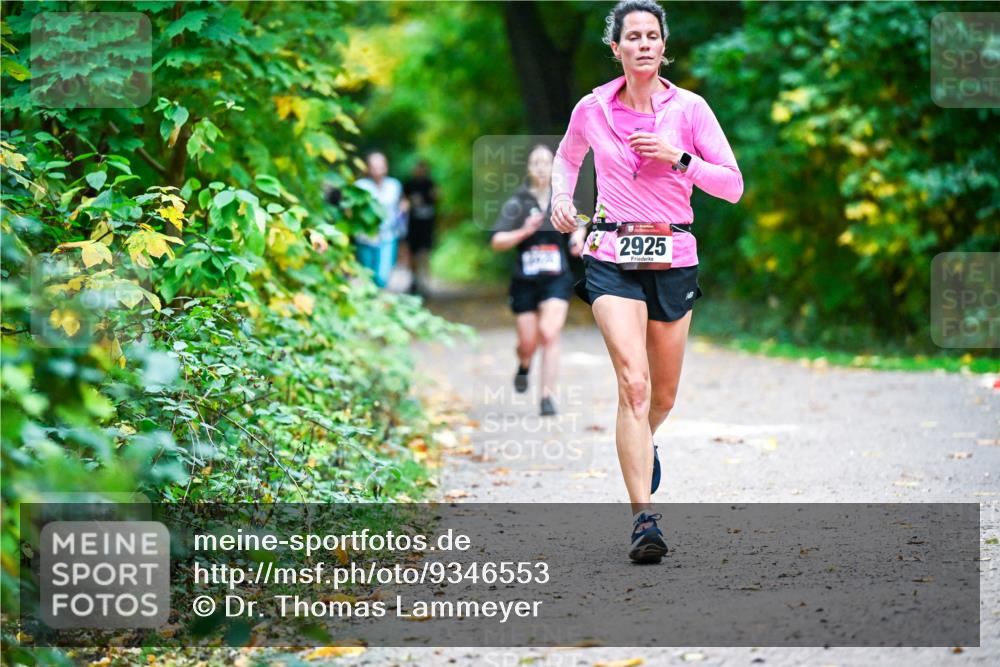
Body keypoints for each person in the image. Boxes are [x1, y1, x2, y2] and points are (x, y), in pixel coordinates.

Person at [550, 0, 743, 563]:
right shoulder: (592, 108)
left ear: (663, 46)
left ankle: (644, 441)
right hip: (610, 251)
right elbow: (566, 159)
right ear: (616, 48)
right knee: (632, 385)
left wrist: (680, 157)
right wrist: (563, 198)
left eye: (651, 36)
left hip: (674, 253)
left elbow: (731, 185)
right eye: (631, 36)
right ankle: (643, 520)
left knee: (661, 394)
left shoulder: (691, 109)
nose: (642, 44)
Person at [491, 144, 587, 417]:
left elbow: (580, 221)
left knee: (549, 333)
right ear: (529, 168)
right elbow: (497, 241)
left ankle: (547, 397)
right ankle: (524, 364)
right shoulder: (517, 202)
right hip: (525, 281)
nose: (542, 168)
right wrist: (523, 231)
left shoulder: (562, 197)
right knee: (528, 343)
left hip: (556, 279)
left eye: (547, 162)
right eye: (536, 163)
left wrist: (578, 237)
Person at [354, 151, 408, 288]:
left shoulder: (394, 185)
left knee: (382, 276)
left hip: (388, 235)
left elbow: (402, 203)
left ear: (386, 166)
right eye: (374, 165)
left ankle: (377, 297)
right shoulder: (360, 186)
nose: (378, 169)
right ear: (368, 168)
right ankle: (371, 304)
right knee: (367, 274)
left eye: (380, 165)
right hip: (365, 236)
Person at [403, 159, 438, 296]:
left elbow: (438, 197)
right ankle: (414, 280)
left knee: (424, 254)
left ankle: (425, 282)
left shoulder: (430, 184)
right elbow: (403, 202)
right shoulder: (409, 184)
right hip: (413, 224)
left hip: (427, 224)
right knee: (413, 254)